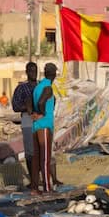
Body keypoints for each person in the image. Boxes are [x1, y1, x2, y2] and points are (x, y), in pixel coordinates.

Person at [31, 63, 59, 194]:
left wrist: (34, 114)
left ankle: (35, 188)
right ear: (54, 74)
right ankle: (48, 188)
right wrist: (42, 114)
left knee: (36, 159)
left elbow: (30, 104)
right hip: (45, 126)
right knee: (45, 158)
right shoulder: (48, 88)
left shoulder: (37, 87)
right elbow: (42, 102)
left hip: (35, 126)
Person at [10, 61, 39, 189]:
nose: (34, 73)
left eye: (35, 70)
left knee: (41, 149)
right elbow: (15, 106)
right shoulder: (21, 88)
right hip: (27, 119)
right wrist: (28, 108)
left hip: (41, 118)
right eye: (31, 70)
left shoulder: (42, 86)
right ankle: (33, 179)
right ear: (27, 72)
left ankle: (39, 177)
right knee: (29, 151)